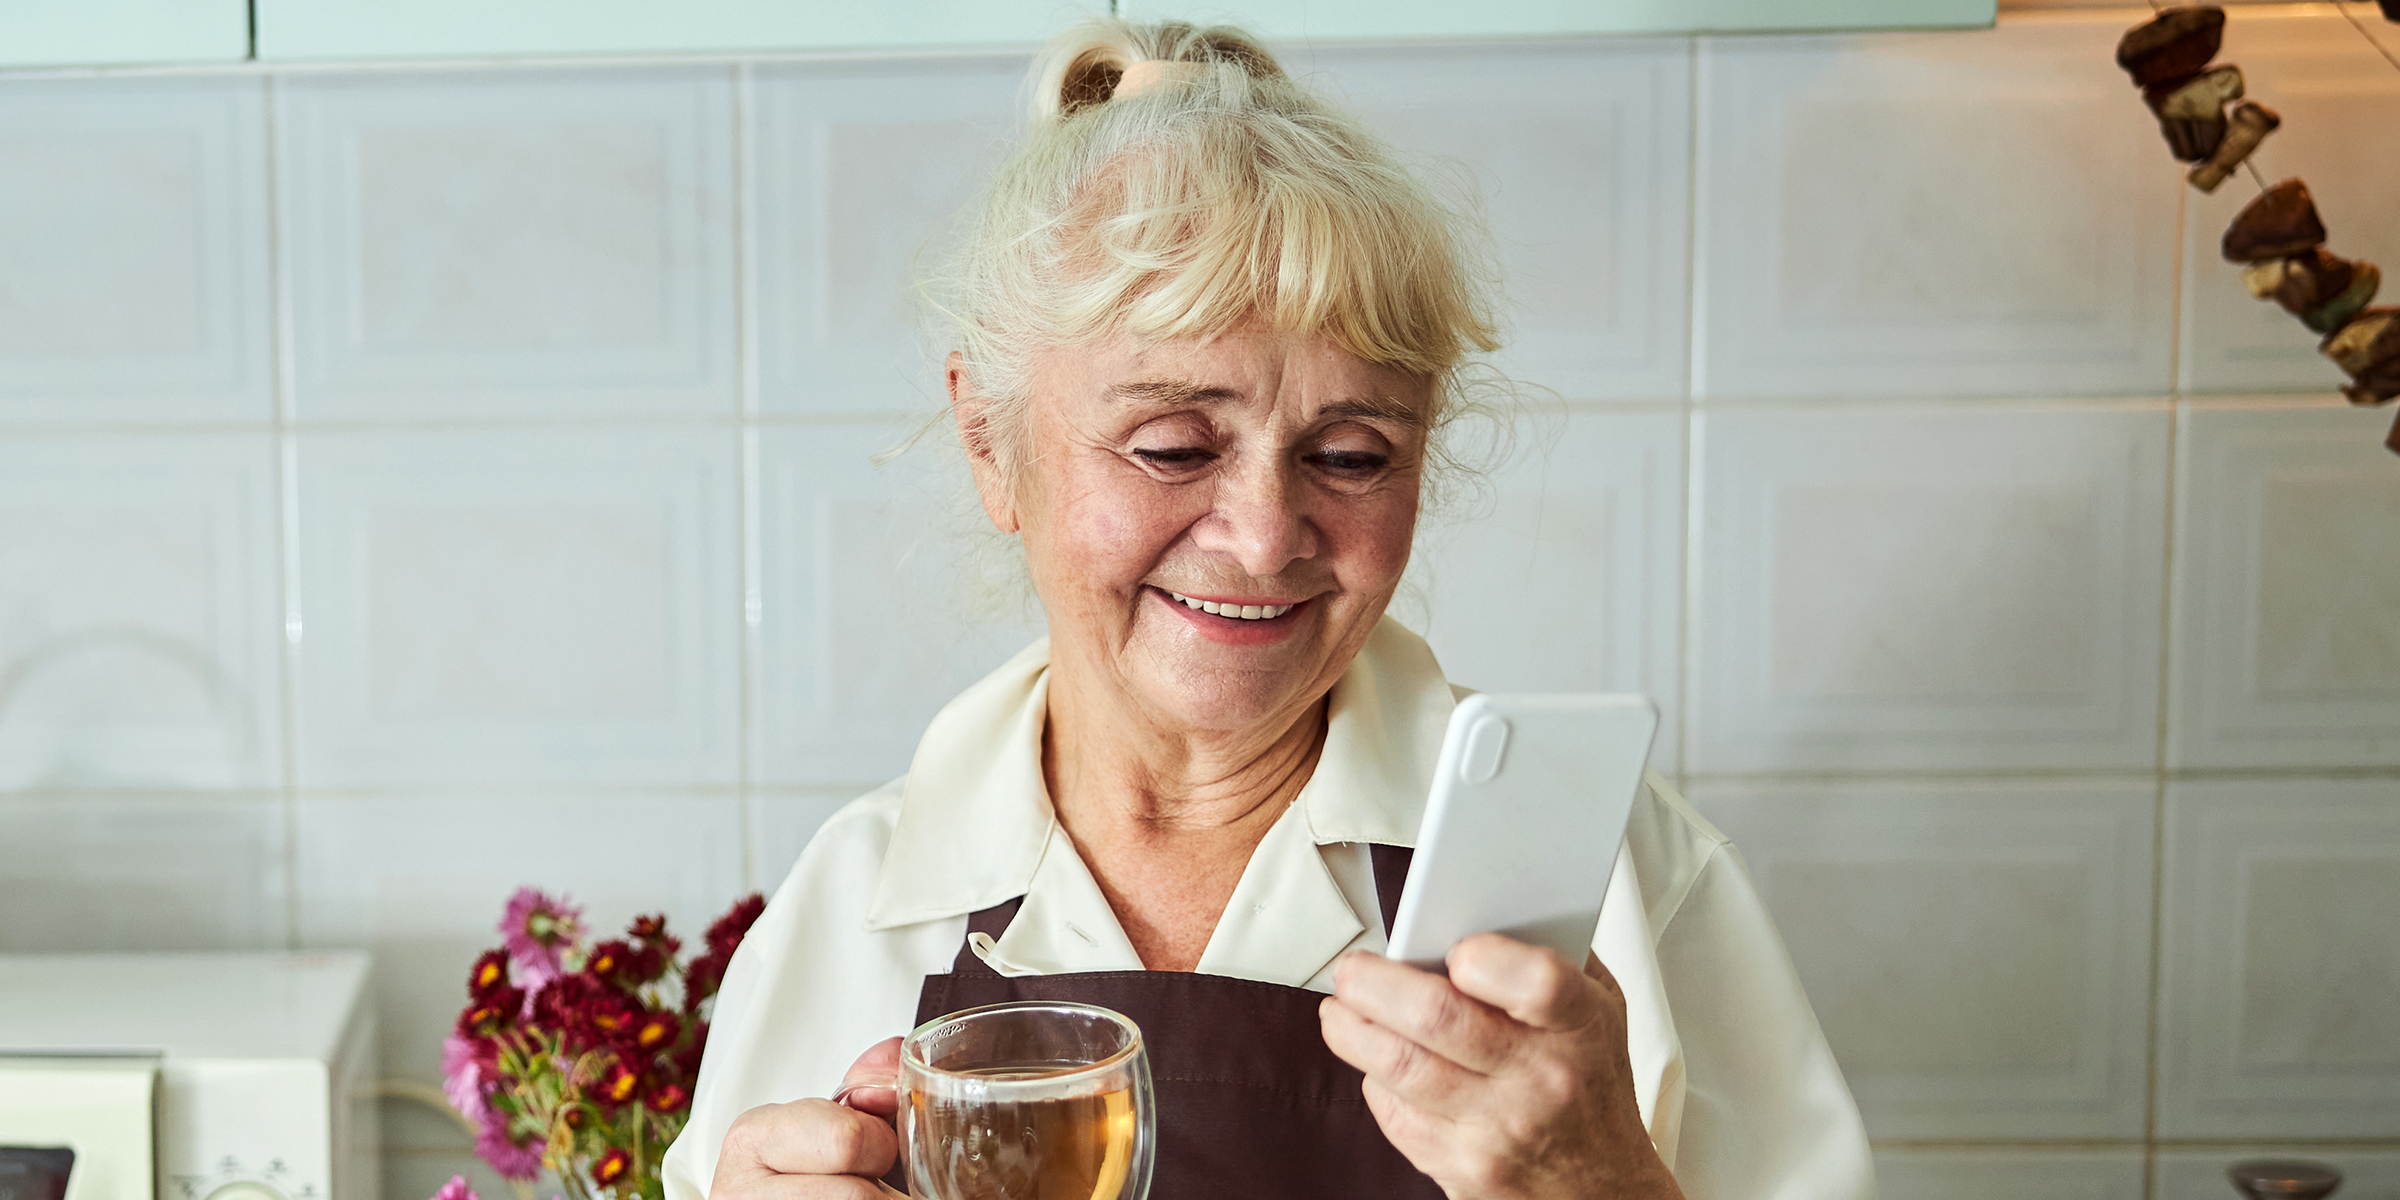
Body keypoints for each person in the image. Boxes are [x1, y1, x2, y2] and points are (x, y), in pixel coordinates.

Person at [663, 17, 1874, 1200]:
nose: (1260, 537)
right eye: (1175, 445)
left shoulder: (1617, 881)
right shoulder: (853, 906)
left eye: (1350, 456)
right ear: (993, 443)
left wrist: (1597, 1186)